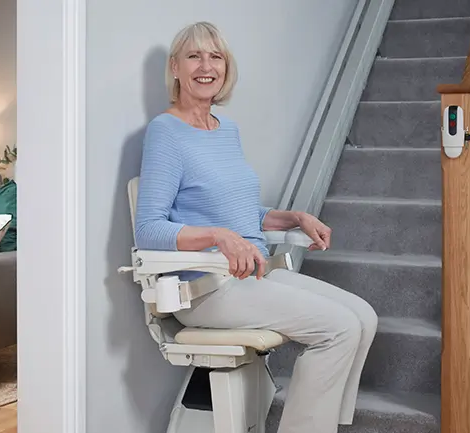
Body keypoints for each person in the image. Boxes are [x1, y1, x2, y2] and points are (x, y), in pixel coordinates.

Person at [134, 21, 378, 433]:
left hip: (252, 276)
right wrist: (218, 237)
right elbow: (148, 229)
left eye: (216, 56)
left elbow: (239, 210)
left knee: (363, 317)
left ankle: (319, 424)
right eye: (194, 56)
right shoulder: (165, 133)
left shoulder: (226, 130)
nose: (206, 65)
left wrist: (293, 217)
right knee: (337, 329)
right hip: (206, 289)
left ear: (226, 67)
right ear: (175, 67)